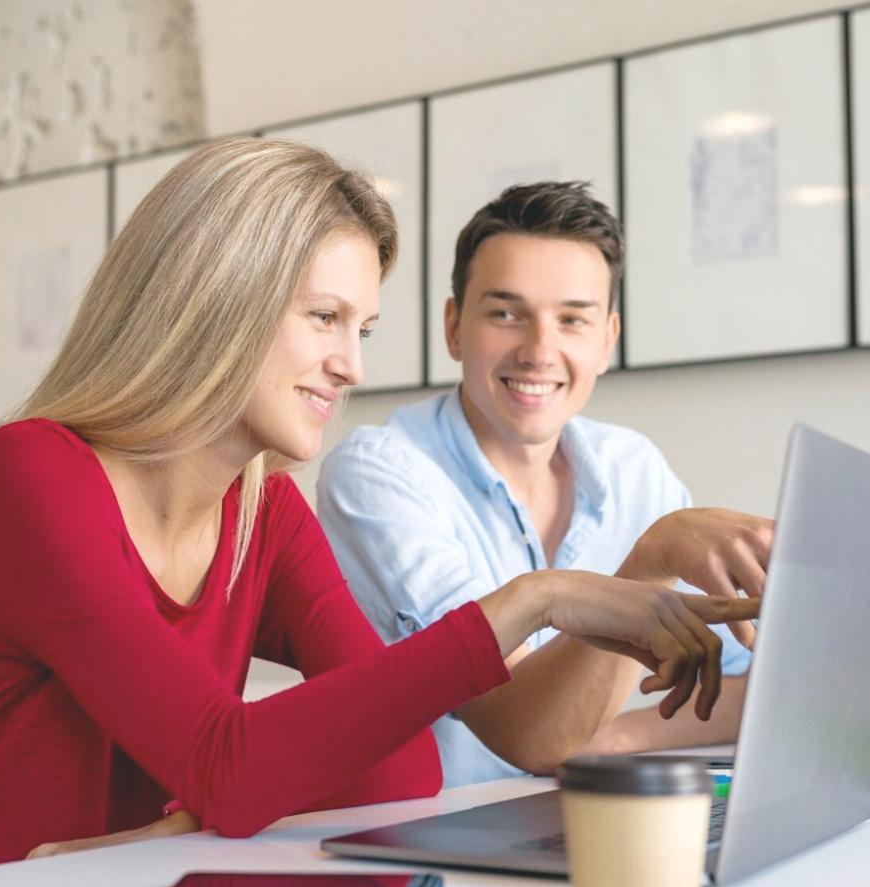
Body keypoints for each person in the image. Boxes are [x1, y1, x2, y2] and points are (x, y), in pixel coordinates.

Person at [0, 139, 752, 887]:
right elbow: (230, 761)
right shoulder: (34, 474)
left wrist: (191, 821)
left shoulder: (260, 512)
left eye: (364, 329)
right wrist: (537, 598)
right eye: (324, 318)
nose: (350, 364)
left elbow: (403, 771)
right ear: (217, 301)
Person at [315, 181, 774, 786]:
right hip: (436, 841)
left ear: (607, 340)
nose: (539, 350)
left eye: (572, 320)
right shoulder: (379, 475)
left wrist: (614, 739)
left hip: (578, 821)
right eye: (506, 314)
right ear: (455, 328)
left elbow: (755, 686)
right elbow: (525, 733)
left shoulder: (635, 468)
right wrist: (651, 561)